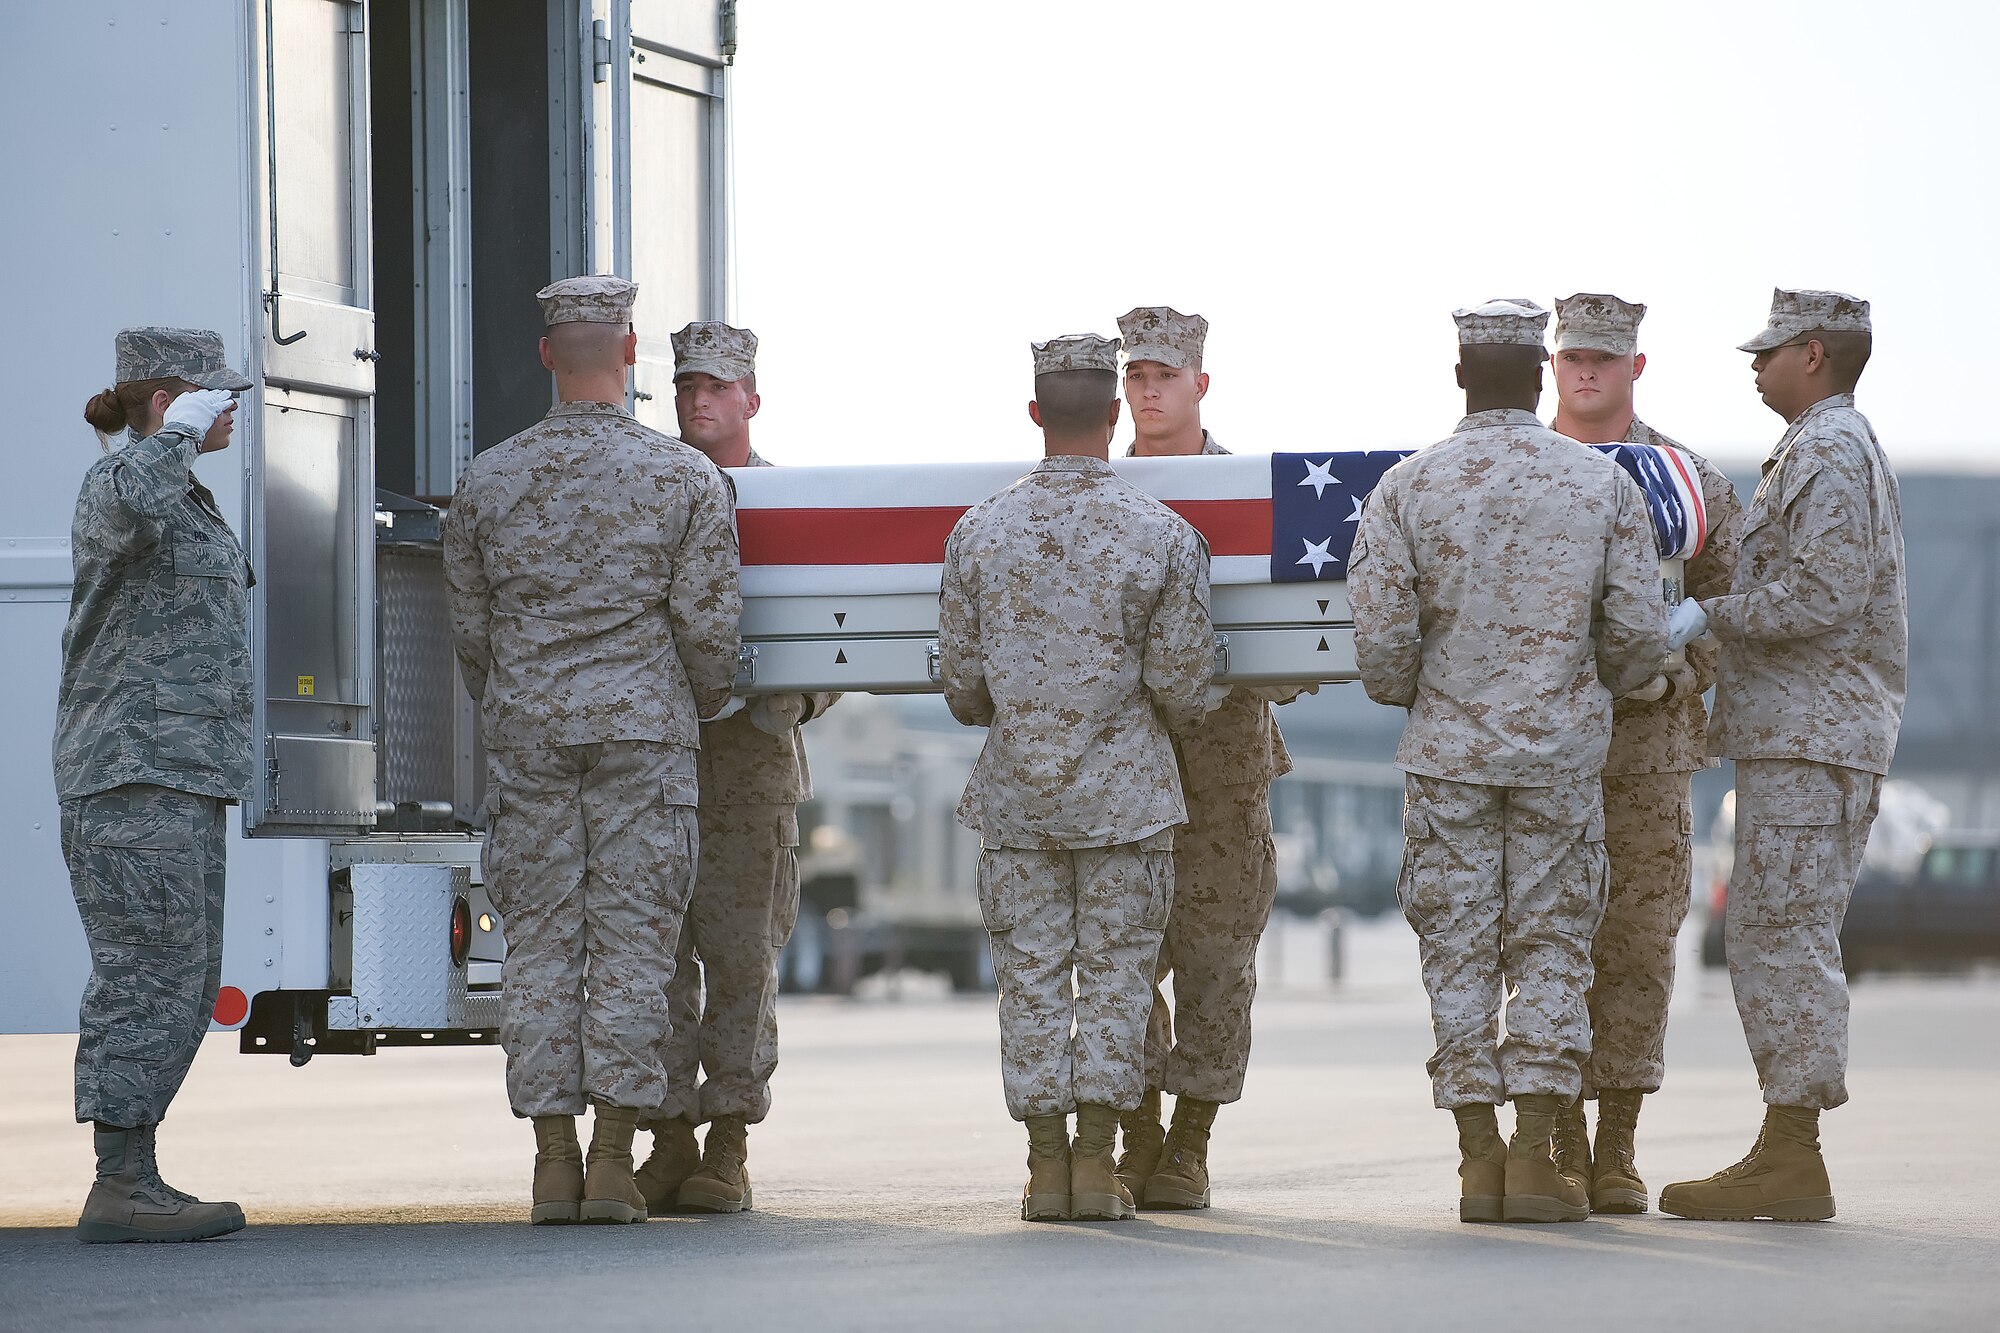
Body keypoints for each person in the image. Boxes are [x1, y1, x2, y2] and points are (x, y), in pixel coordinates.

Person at [1348, 298, 1666, 1224]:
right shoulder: (1603, 486)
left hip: (1448, 760)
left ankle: (1476, 1156)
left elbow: (1380, 652)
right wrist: (1592, 682)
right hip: (1560, 761)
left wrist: (1429, 693)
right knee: (1552, 948)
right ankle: (1535, 1154)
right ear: (1539, 376)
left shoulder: (1405, 488)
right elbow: (1637, 639)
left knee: (1456, 952)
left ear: (1460, 375)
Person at [442, 276, 742, 1226]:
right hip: (643, 740)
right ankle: (614, 1162)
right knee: (634, 948)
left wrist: (523, 700)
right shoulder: (683, 477)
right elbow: (709, 634)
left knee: (538, 945)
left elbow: (472, 632)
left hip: (529, 737)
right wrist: (679, 703)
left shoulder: (487, 480)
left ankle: (552, 1162)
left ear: (546, 356)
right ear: (631, 351)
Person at [939, 332, 1213, 1222]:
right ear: (1112, 413)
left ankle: (1045, 1166)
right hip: (1126, 802)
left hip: (1018, 801)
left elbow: (963, 689)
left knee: (1030, 981)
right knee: (1118, 980)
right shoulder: (1164, 535)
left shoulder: (977, 533)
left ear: (1035, 413)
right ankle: (1097, 1164)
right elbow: (1182, 685)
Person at [1657, 289, 1905, 1222]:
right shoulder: (1820, 445)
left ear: (1814, 354)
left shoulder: (1830, 450)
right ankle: (1787, 1144)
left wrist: (1708, 614)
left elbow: (1825, 593)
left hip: (1813, 734)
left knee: (1781, 932)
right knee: (1775, 928)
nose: (1755, 366)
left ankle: (1794, 1153)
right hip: (1804, 733)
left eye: (1769, 351)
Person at [1545, 293, 1745, 1212]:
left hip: (1647, 751)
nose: (1586, 370)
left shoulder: (1686, 480)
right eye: (1572, 355)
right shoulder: (1513, 467)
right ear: (1551, 363)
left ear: (1636, 365)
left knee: (1637, 940)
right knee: (1542, 938)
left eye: (1604, 356)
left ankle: (1617, 1140)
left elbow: (1727, 603)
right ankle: (1556, 1137)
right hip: (1535, 751)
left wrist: (1675, 677)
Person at [634, 322, 836, 1214]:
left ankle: (728, 1141)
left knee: (743, 961)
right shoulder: (647, 492)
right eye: (686, 387)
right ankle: (669, 1136)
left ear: (752, 397)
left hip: (752, 770)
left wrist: (796, 700)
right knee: (658, 959)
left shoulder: (791, 507)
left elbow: (836, 639)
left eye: (716, 387)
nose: (699, 401)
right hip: (655, 764)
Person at [57, 328, 253, 1244]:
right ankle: (120, 1184)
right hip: (132, 776)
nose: (232, 408)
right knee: (143, 975)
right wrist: (175, 431)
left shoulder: (184, 496)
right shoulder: (120, 482)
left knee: (183, 978)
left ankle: (137, 1173)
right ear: (169, 400)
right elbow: (133, 502)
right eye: (215, 395)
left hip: (178, 776)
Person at [1111, 305, 1307, 1210]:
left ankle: (1190, 1140)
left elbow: (1299, 639)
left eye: (1165, 376)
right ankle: (1139, 1131)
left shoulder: (1253, 495)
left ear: (1201, 383)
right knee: (1118, 956)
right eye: (1136, 377)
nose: (1149, 392)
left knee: (1217, 963)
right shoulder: (1097, 492)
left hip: (1224, 770)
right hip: (1118, 765)